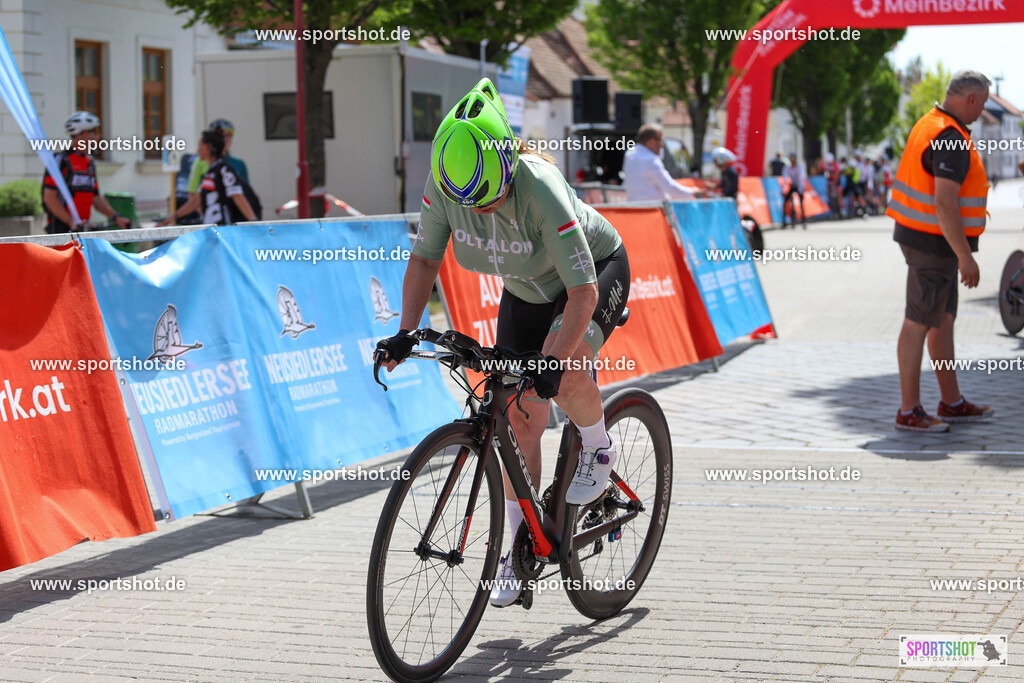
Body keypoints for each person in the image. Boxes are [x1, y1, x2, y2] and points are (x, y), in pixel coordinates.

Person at [374, 78, 629, 608]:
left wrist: (554, 364)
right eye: (471, 204)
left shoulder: (540, 186)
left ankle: (598, 446)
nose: (481, 212)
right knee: (518, 415)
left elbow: (582, 290)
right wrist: (405, 331)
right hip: (526, 292)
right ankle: (520, 542)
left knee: (566, 368)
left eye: (490, 201)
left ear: (508, 169)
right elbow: (425, 258)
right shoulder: (449, 184)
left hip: (590, 276)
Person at [887, 69, 995, 432]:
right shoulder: (949, 137)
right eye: (982, 103)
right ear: (972, 100)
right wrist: (965, 256)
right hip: (933, 244)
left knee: (941, 320)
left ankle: (952, 402)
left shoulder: (930, 122)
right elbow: (945, 202)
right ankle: (909, 411)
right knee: (918, 322)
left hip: (928, 239)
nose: (982, 111)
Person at [41, 111, 132, 234]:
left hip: (82, 230)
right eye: (94, 132)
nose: (97, 137)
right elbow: (49, 197)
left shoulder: (89, 162)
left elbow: (95, 197)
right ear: (83, 134)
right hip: (61, 230)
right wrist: (71, 222)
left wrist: (116, 217)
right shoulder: (61, 160)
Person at [158, 118, 249, 226]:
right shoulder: (201, 163)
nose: (226, 140)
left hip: (233, 220)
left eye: (229, 136)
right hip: (214, 220)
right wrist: (209, 216)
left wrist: (251, 220)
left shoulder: (235, 165)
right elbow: (194, 196)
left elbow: (241, 194)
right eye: (222, 136)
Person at [622, 123, 697, 201]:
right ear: (651, 142)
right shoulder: (651, 159)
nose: (661, 145)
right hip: (653, 210)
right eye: (660, 140)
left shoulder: (629, 155)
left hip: (634, 208)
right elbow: (670, 188)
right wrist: (693, 192)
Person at [196, 129, 257, 226]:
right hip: (211, 230)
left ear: (207, 147)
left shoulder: (224, 170)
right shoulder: (210, 172)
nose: (197, 149)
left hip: (223, 230)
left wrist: (253, 222)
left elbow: (237, 196)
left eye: (199, 145)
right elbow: (197, 200)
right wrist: (175, 216)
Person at [781, 152, 806, 228]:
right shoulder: (787, 167)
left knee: (801, 203)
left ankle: (803, 221)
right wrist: (783, 189)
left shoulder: (799, 167)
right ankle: (784, 221)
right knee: (785, 202)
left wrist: (800, 189)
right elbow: (784, 178)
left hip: (799, 185)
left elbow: (800, 178)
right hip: (792, 185)